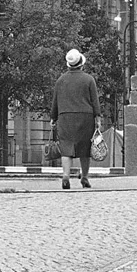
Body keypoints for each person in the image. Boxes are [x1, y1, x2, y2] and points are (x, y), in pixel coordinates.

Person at [50, 49, 102, 189]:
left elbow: (55, 101)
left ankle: (66, 176)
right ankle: (84, 177)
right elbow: (94, 101)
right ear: (81, 64)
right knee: (85, 148)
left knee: (66, 148)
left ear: (68, 65)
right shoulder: (89, 79)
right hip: (85, 117)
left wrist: (53, 117)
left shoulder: (60, 80)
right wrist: (97, 117)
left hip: (65, 117)